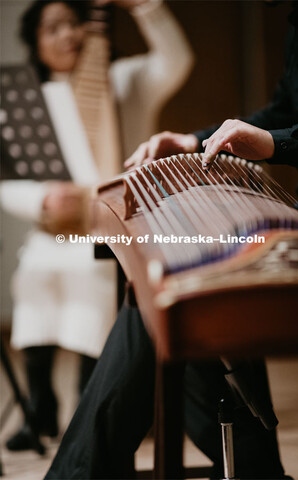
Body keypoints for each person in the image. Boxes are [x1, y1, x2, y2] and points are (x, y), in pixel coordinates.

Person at [45, 1, 298, 478]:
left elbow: (284, 127)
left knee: (165, 297)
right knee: (169, 289)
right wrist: (197, 141)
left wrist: (277, 142)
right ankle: (257, 472)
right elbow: (286, 110)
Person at [1, 0, 193, 451]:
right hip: (55, 228)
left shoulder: (123, 80)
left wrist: (146, 9)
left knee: (93, 285)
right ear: (35, 41)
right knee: (33, 279)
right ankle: (39, 411)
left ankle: (92, 411)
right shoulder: (25, 101)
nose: (68, 35)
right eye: (53, 28)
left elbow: (176, 61)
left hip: (110, 229)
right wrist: (42, 198)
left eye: (74, 23)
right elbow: (8, 180)